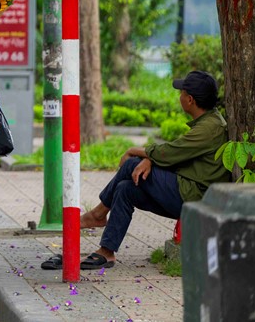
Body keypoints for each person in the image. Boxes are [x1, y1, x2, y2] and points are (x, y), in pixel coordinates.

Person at [43, 70, 230, 271]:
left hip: (194, 197)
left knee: (132, 164)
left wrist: (137, 152)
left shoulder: (210, 128)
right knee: (126, 189)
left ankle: (98, 213)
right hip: (186, 190)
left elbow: (171, 153)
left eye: (182, 93)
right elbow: (177, 155)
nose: (180, 97)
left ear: (190, 100)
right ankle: (107, 251)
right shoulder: (208, 122)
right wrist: (149, 159)